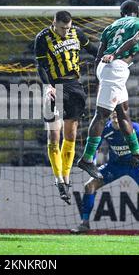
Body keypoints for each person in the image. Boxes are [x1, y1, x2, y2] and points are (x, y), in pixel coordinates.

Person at [77, 0, 139, 179]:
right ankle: (87, 158)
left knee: (124, 114)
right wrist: (115, 55)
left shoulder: (110, 27)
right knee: (102, 115)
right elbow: (135, 39)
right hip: (116, 67)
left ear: (122, 14)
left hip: (108, 68)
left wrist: (100, 76)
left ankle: (136, 153)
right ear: (136, 12)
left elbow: (98, 55)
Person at [71, 112, 139, 235]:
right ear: (108, 114)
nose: (114, 113)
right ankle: (84, 224)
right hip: (115, 166)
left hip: (136, 166)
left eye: (117, 111)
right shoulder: (105, 129)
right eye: (112, 111)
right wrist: (92, 162)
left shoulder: (135, 128)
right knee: (89, 186)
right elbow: (95, 147)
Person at [34, 11, 98, 204]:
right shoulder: (43, 37)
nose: (65, 31)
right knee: (54, 136)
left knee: (70, 136)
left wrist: (109, 55)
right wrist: (48, 87)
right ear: (54, 23)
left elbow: (94, 50)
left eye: (67, 28)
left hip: (74, 86)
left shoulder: (77, 33)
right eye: (62, 28)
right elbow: (40, 65)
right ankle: (58, 179)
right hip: (55, 87)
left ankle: (66, 178)